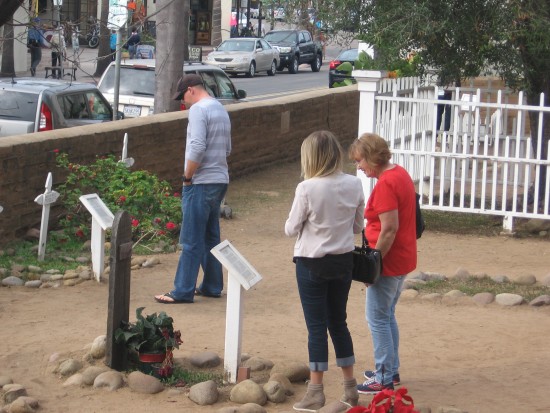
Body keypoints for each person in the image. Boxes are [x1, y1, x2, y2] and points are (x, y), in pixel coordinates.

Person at [285, 131, 365, 412]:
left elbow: (290, 228)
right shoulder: (354, 184)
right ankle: (350, 387)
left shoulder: (307, 187)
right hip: (343, 261)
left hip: (312, 262)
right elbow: (358, 227)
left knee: (316, 327)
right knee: (338, 323)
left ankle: (316, 391)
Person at [348, 133, 417, 395]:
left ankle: (384, 376)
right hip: (402, 257)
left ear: (372, 157)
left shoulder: (387, 183)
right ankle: (390, 368)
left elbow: (389, 229)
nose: (359, 167)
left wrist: (372, 265)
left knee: (377, 317)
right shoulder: (399, 173)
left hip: (389, 260)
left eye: (360, 160)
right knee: (386, 315)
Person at [154, 74, 231, 304]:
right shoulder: (220, 109)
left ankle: (182, 290)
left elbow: (197, 146)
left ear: (191, 90)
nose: (183, 102)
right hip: (220, 179)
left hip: (200, 181)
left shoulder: (198, 110)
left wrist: (187, 177)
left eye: (183, 97)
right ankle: (212, 285)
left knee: (191, 239)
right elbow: (227, 149)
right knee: (210, 236)